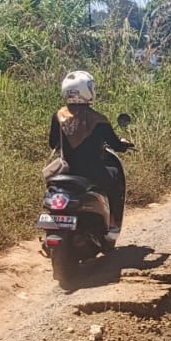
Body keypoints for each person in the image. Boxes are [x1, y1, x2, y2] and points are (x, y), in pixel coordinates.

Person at [49, 70, 132, 230]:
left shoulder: (57, 116)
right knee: (114, 177)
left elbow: (53, 143)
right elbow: (115, 145)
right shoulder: (98, 119)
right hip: (93, 172)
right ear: (88, 91)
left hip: (67, 170)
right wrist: (124, 144)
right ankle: (112, 220)